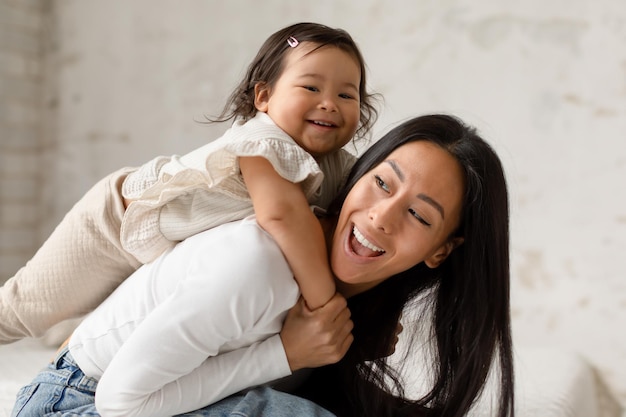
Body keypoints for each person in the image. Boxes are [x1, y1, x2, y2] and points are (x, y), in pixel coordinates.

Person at [11, 114, 515, 417]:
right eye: (382, 183)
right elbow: (122, 402)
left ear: (441, 251)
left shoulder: (346, 316)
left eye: (418, 214)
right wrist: (285, 354)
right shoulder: (258, 264)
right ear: (359, 174)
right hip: (76, 402)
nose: (381, 217)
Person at [0, 22, 379, 344]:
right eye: (311, 88)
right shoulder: (262, 143)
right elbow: (283, 217)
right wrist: (326, 306)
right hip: (113, 228)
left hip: (169, 253)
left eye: (347, 95)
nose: (330, 103)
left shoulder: (338, 164)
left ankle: (80, 338)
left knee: (126, 318)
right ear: (264, 97)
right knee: (24, 310)